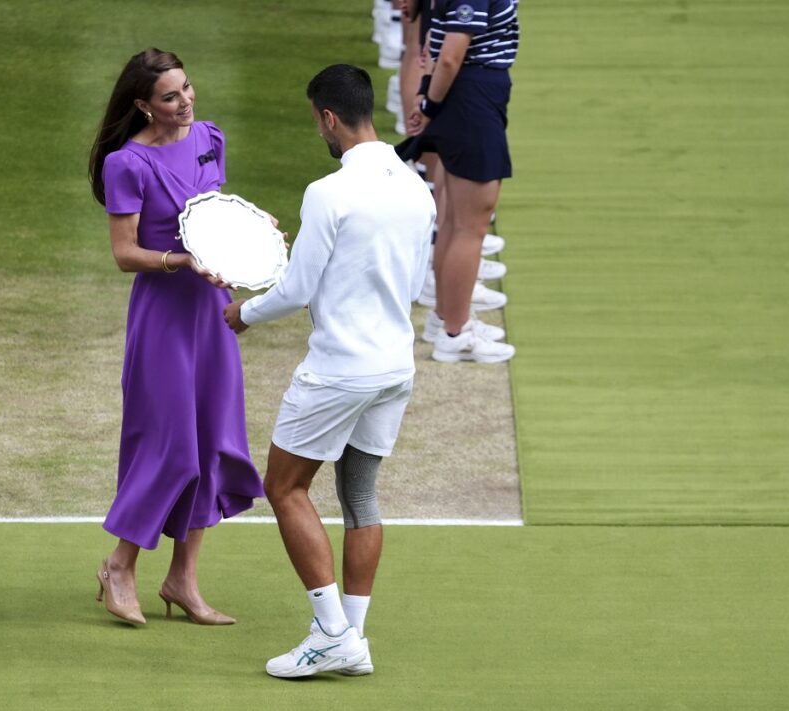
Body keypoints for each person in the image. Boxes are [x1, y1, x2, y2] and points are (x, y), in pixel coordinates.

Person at [223, 64, 435, 677]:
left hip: (341, 369)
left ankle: (331, 631)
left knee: (284, 486)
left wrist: (244, 313)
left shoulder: (329, 192)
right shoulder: (416, 187)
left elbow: (294, 290)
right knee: (359, 494)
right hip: (396, 365)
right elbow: (410, 280)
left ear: (329, 118)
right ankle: (352, 642)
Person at [87, 48, 264, 626]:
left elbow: (219, 218)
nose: (185, 101)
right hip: (163, 318)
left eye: (187, 88)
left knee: (212, 442)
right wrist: (181, 261)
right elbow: (123, 254)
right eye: (170, 96)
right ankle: (119, 566)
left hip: (212, 316)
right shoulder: (126, 164)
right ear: (143, 104)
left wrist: (252, 244)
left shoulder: (210, 136)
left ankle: (182, 581)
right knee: (169, 448)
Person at [403, 0, 520, 363]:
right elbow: (450, 54)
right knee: (470, 225)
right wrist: (428, 107)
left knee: (454, 218)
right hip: (470, 99)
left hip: (464, 96)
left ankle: (446, 319)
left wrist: (427, 94)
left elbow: (433, 43)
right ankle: (456, 333)